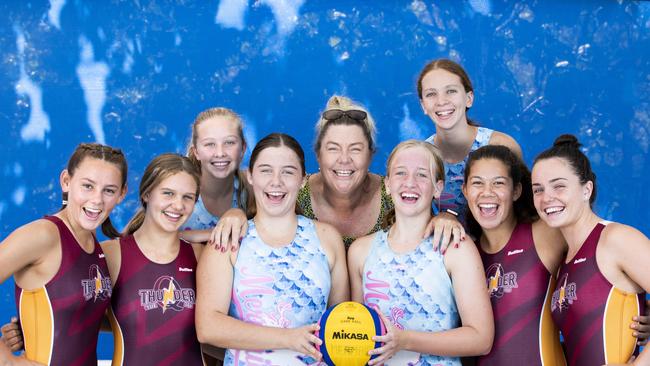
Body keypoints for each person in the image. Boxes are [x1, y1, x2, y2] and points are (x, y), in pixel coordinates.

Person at [195, 133, 349, 365]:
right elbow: (208, 327)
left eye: (288, 171)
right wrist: (288, 338)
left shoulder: (327, 239)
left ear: (303, 180)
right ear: (251, 176)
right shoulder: (228, 241)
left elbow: (341, 324)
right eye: (266, 170)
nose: (276, 181)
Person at [348, 140, 494, 366]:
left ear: (438, 187)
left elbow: (481, 338)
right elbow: (355, 334)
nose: (410, 183)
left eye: (422, 175)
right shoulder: (361, 251)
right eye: (400, 173)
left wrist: (405, 340)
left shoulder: (455, 248)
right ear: (387, 184)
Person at [0, 143, 128, 365]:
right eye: (88, 186)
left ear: (121, 194)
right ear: (66, 181)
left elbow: (81, 318)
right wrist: (7, 360)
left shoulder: (94, 245)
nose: (97, 199)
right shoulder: (44, 235)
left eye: (108, 190)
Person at [531, 134, 650, 366]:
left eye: (559, 186)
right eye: (538, 190)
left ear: (586, 190)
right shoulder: (562, 262)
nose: (547, 198)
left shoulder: (615, 239)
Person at [297, 95, 463, 250]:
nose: (344, 159)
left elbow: (426, 220)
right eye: (333, 148)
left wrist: (446, 218)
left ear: (370, 156)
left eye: (355, 149)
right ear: (318, 155)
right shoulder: (293, 197)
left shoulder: (395, 194)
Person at [462, 144, 567, 365]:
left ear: (516, 191)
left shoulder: (545, 235)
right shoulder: (463, 254)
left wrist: (639, 307)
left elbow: (600, 253)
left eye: (498, 183)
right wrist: (445, 218)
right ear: (465, 191)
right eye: (477, 183)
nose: (487, 192)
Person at [103, 153, 205, 365]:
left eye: (188, 197)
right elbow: (78, 315)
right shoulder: (112, 255)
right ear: (147, 193)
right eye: (168, 193)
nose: (178, 205)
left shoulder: (199, 255)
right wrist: (23, 329)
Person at [416, 59, 522, 224]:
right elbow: (419, 220)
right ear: (423, 105)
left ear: (469, 98)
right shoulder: (422, 158)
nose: (441, 101)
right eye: (431, 94)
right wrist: (442, 217)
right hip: (453, 247)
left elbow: (525, 209)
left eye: (451, 91)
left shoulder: (502, 145)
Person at [181, 107, 249, 250]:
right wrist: (212, 233)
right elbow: (150, 236)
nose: (220, 153)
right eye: (210, 144)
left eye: (229, 142)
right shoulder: (179, 190)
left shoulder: (251, 189)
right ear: (196, 152)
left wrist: (238, 213)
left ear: (243, 149)